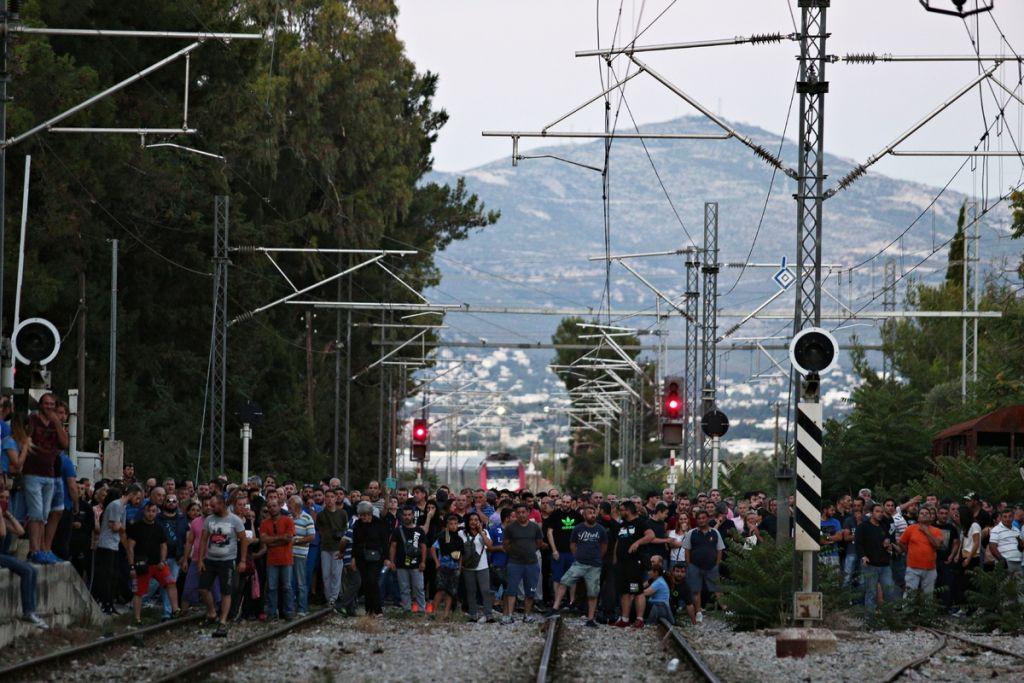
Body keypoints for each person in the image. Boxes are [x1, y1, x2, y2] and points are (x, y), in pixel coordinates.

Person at [25, 394, 69, 564]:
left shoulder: (55, 423)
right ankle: (34, 549)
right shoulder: (32, 420)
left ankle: (41, 550)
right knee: (36, 512)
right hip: (32, 472)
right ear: (40, 405)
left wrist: (57, 422)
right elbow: (23, 438)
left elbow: (64, 443)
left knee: (44, 514)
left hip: (49, 474)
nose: (49, 407)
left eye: (52, 404)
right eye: (46, 403)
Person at [548, 503, 607, 627]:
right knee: (564, 581)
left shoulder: (600, 529)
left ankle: (590, 619)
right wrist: (577, 556)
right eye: (589, 513)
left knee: (593, 592)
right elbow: (573, 544)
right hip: (579, 563)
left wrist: (597, 558)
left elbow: (604, 546)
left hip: (594, 566)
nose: (592, 515)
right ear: (584, 515)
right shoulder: (578, 528)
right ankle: (554, 608)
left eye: (594, 512)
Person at [200, 494, 249, 636]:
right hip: (210, 559)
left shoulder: (235, 520)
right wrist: (201, 559)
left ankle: (222, 621)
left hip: (227, 560)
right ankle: (212, 612)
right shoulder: (209, 520)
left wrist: (243, 560)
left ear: (222, 504)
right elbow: (204, 539)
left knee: (226, 591)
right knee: (203, 588)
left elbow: (244, 540)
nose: (211, 508)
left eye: (214, 505)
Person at [0, 482, 48, 628]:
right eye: (2, 498)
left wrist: (7, 514)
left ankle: (31, 610)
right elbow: (2, 533)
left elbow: (20, 531)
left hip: (4, 555)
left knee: (32, 570)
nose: (5, 501)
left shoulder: (4, 516)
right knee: (27, 571)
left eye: (7, 498)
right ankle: (28, 611)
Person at [125, 502, 181, 626]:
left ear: (156, 512)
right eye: (148, 511)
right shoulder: (137, 527)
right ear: (144, 512)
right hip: (142, 565)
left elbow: (163, 545)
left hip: (158, 564)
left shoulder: (159, 527)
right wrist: (132, 565)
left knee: (171, 583)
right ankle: (137, 618)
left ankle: (176, 609)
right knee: (139, 592)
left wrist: (162, 560)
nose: (151, 514)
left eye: (153, 511)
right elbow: (130, 547)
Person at [94, 485, 136, 614]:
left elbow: (121, 528)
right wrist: (122, 527)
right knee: (107, 576)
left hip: (114, 544)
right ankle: (105, 603)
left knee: (113, 576)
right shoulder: (116, 506)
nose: (138, 501)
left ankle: (110, 602)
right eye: (138, 497)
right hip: (106, 545)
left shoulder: (122, 507)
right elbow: (115, 526)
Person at [614, 501, 654, 628]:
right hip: (622, 563)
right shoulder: (622, 524)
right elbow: (618, 541)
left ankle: (639, 619)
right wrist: (615, 558)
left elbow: (651, 535)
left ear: (628, 510)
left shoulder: (641, 522)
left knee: (636, 590)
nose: (620, 512)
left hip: (634, 563)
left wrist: (637, 543)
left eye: (622, 510)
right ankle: (625, 619)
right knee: (624, 591)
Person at [502, 503, 544, 624]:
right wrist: (515, 552)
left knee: (530, 590)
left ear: (527, 513)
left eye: (523, 512)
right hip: (515, 563)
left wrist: (529, 551)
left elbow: (539, 543)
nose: (521, 515)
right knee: (511, 589)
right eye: (518, 512)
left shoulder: (535, 527)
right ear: (515, 513)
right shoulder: (510, 528)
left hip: (531, 563)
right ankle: (509, 615)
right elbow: (506, 544)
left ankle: (527, 615)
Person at [682, 510, 724, 624]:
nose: (701, 520)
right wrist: (689, 564)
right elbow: (687, 550)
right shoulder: (691, 533)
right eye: (699, 518)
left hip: (712, 566)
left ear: (707, 518)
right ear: (696, 520)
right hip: (695, 566)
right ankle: (698, 612)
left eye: (703, 518)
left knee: (717, 589)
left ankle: (726, 609)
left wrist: (717, 564)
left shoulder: (715, 532)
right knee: (696, 590)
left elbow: (720, 549)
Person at [259, 497, 296, 622]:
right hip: (272, 560)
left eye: (274, 506)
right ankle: (272, 613)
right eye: (269, 507)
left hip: (286, 559)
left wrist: (272, 540)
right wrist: (280, 539)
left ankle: (288, 612)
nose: (272, 509)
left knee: (287, 587)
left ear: (279, 506)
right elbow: (264, 540)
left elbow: (288, 538)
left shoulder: (288, 521)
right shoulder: (265, 523)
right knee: (272, 587)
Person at [351, 500, 389, 617]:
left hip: (376, 557)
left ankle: (377, 610)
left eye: (366, 515)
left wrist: (386, 558)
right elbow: (355, 542)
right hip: (361, 557)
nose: (364, 517)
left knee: (373, 581)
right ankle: (369, 610)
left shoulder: (379, 523)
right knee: (366, 582)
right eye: (362, 515)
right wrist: (353, 558)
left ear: (371, 513)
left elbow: (385, 542)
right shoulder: (357, 525)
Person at [856, 503, 895, 615]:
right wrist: (863, 556)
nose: (880, 514)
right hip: (870, 564)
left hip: (885, 564)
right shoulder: (863, 526)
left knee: (889, 591)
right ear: (871, 513)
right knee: (871, 592)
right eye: (877, 511)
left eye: (881, 512)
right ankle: (869, 619)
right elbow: (858, 544)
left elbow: (889, 540)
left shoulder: (884, 525)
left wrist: (889, 545)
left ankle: (889, 618)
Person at [898, 506, 943, 596]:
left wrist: (926, 531)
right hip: (913, 567)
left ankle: (926, 611)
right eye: (922, 513)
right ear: (918, 517)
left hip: (930, 568)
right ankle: (907, 610)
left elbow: (937, 545)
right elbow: (901, 542)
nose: (924, 515)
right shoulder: (911, 528)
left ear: (931, 517)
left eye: (927, 513)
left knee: (928, 596)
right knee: (909, 595)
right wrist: (908, 552)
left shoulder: (936, 530)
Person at [390, 506, 427, 613]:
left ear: (412, 516)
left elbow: (424, 546)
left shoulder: (419, 530)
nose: (407, 517)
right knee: (404, 588)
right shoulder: (398, 530)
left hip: (416, 564)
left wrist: (423, 562)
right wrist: (392, 561)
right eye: (405, 515)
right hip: (401, 564)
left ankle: (421, 609)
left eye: (409, 514)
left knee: (419, 588)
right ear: (402, 516)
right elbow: (393, 546)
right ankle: (406, 609)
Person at [460, 511, 495, 623]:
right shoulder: (462, 533)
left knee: (485, 590)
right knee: (471, 591)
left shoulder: (484, 532)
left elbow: (489, 545)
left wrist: (481, 531)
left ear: (479, 522)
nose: (473, 522)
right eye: (471, 520)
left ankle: (488, 614)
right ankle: (473, 614)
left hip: (482, 566)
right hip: (468, 567)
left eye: (476, 520)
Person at [316, 490, 348, 609]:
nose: (330, 499)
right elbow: (319, 529)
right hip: (325, 547)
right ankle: (328, 597)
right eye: (327, 497)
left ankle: (333, 598)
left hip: (337, 547)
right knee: (326, 574)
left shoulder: (342, 513)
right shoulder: (321, 515)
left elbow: (345, 529)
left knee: (336, 573)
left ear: (336, 499)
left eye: (332, 497)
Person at [431, 514, 463, 618]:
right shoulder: (442, 537)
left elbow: (461, 554)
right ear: (447, 525)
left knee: (451, 591)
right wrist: (437, 562)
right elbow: (432, 549)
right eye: (451, 524)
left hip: (454, 567)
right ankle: (433, 612)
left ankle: (446, 614)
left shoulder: (459, 539)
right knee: (441, 589)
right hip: (443, 566)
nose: (453, 526)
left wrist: (459, 566)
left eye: (455, 524)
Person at [287, 494, 315, 615]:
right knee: (288, 582)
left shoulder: (307, 518)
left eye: (290, 504)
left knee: (300, 582)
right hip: (288, 554)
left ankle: (302, 608)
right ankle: (290, 608)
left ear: (297, 506)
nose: (288, 506)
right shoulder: (288, 518)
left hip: (300, 555)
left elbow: (311, 536)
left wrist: (297, 540)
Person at [988, 507, 1022, 574]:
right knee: (1005, 584)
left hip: (1019, 562)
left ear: (1013, 517)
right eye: (1005, 517)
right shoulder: (996, 530)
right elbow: (992, 547)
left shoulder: (1017, 530)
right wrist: (1002, 560)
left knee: (1019, 584)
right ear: (1001, 518)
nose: (1007, 519)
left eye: (1010, 516)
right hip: (1006, 563)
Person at [641, 556, 672, 627]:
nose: (648, 573)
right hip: (657, 605)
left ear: (656, 573)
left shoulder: (659, 582)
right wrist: (633, 588)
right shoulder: (654, 579)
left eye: (650, 571)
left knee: (639, 600)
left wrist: (632, 590)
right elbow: (641, 586)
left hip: (661, 608)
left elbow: (644, 593)